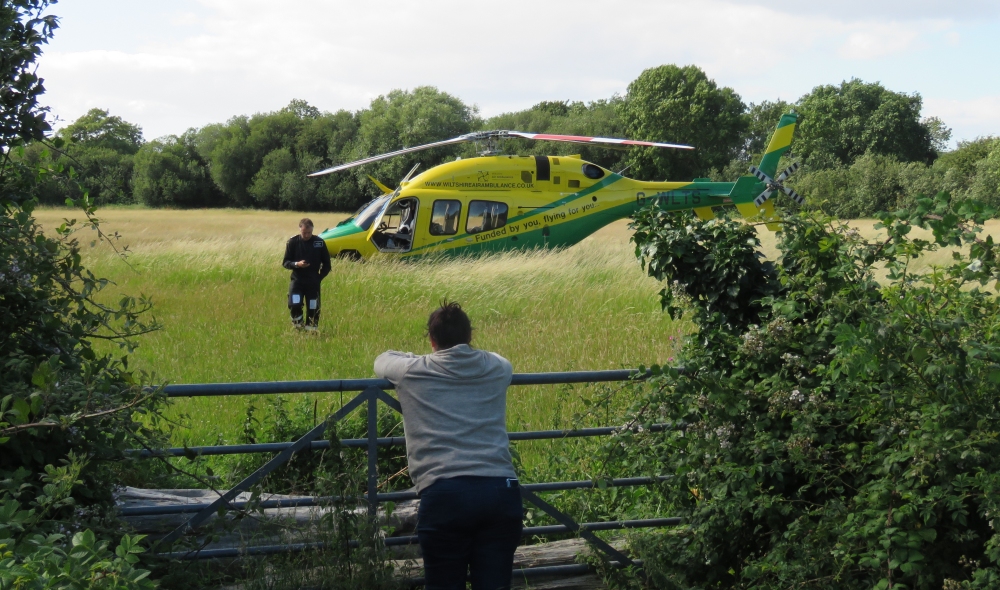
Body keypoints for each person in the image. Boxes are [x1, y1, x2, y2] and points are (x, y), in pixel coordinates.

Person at [374, 302, 522, 590]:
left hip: (444, 494)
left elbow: (382, 360)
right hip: (500, 491)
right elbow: (500, 359)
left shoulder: (411, 371)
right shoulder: (497, 368)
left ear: (432, 340)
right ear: (470, 337)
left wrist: (415, 357)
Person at [282, 218, 331, 331]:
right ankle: (298, 326)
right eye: (304, 233)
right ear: (300, 230)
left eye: (309, 232)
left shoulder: (319, 242)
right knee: (295, 304)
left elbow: (327, 265)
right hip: (297, 281)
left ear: (312, 230)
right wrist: (297, 264)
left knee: (313, 307)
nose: (307, 235)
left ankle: (311, 330)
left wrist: (319, 277)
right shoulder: (293, 242)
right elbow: (285, 262)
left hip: (313, 282)